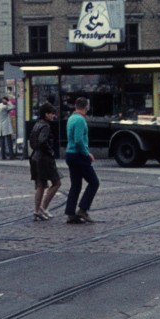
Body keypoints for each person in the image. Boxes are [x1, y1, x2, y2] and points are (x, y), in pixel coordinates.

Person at [65, 96, 100, 224]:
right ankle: (83, 210)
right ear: (86, 107)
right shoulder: (80, 120)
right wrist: (87, 153)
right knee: (94, 182)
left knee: (76, 185)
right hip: (78, 155)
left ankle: (70, 213)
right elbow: (78, 140)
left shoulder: (71, 118)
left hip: (70, 154)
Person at [28, 102, 61, 221]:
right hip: (44, 158)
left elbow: (32, 141)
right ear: (46, 114)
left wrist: (36, 149)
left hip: (35, 157)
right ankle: (43, 207)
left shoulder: (37, 124)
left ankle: (37, 211)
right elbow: (42, 141)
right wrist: (50, 151)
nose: (53, 116)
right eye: (52, 113)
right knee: (57, 183)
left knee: (40, 185)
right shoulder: (46, 126)